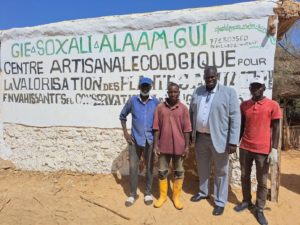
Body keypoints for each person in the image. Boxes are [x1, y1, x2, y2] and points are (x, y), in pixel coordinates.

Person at [189, 66, 241, 216]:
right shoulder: (198, 91)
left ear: (217, 76)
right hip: (200, 138)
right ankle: (203, 192)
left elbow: (235, 118)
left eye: (212, 77)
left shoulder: (228, 93)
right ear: (204, 77)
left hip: (220, 139)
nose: (209, 79)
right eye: (207, 77)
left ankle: (219, 201)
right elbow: (191, 112)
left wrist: (233, 141)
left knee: (221, 171)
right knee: (203, 168)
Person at [234, 76, 281, 225]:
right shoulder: (244, 105)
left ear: (264, 88)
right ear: (250, 89)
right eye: (253, 86)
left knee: (261, 181)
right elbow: (241, 126)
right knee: (244, 176)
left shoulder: (272, 105)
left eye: (258, 86)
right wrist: (236, 143)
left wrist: (274, 149)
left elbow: (277, 128)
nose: (255, 89)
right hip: (245, 148)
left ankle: (259, 208)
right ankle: (246, 201)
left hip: (263, 149)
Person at [119, 76, 159, 207]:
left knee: (149, 167)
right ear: (139, 87)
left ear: (151, 87)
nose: (145, 88)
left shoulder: (156, 103)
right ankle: (132, 194)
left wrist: (157, 142)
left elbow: (160, 122)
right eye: (143, 86)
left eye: (147, 86)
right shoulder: (132, 101)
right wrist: (126, 133)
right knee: (133, 167)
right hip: (135, 140)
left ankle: (147, 193)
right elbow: (122, 116)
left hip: (150, 140)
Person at [153, 82, 192, 210]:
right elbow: (156, 128)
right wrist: (156, 145)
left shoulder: (183, 108)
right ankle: (163, 196)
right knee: (162, 172)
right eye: (171, 92)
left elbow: (187, 129)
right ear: (167, 93)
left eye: (175, 92)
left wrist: (187, 147)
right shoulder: (160, 108)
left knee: (179, 172)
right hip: (163, 146)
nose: (173, 94)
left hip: (179, 146)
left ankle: (176, 197)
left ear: (179, 93)